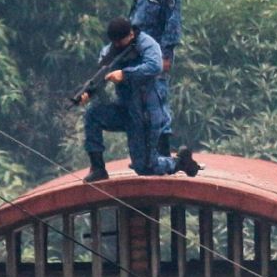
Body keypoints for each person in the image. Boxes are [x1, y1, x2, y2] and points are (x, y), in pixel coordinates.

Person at [79, 17, 197, 182]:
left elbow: (155, 66)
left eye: (122, 40)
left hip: (146, 113)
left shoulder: (147, 45)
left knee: (145, 168)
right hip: (125, 109)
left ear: (131, 34)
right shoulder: (110, 51)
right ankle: (98, 167)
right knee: (92, 114)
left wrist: (125, 74)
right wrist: (88, 93)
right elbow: (101, 76)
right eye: (116, 42)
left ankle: (178, 162)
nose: (119, 45)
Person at [128, 0, 193, 169]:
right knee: (139, 102)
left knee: (158, 97)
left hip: (156, 52)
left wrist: (166, 55)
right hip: (136, 51)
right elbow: (134, 15)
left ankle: (164, 150)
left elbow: (172, 23)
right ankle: (147, 154)